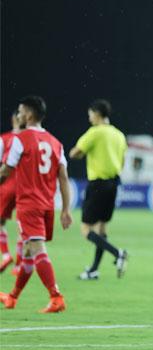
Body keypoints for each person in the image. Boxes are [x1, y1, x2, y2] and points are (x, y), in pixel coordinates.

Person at [0, 96, 72, 313]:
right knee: (29, 253)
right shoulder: (55, 142)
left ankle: (56, 296)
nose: (19, 115)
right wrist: (66, 209)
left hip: (29, 205)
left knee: (37, 249)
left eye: (21, 111)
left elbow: (5, 171)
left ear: (29, 114)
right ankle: (12, 297)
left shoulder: (21, 139)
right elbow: (64, 177)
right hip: (47, 205)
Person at [69, 99, 128, 280]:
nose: (89, 119)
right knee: (101, 228)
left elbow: (74, 152)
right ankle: (94, 270)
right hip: (113, 183)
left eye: (90, 115)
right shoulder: (119, 135)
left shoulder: (95, 133)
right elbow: (122, 161)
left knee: (86, 230)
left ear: (97, 113)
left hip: (98, 184)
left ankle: (118, 253)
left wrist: (83, 153)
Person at [0, 111, 25, 274]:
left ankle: (6, 255)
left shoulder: (4, 138)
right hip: (25, 188)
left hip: (7, 186)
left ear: (12, 119)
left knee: (0, 223)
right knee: (22, 226)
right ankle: (19, 264)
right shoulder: (30, 139)